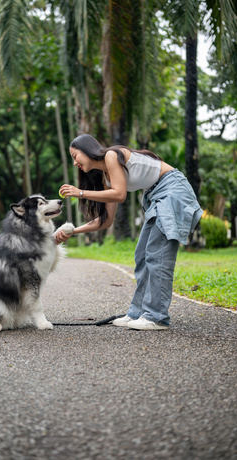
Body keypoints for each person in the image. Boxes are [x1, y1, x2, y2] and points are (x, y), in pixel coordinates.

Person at [55, 133, 203, 330]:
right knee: (142, 255)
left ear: (87, 150)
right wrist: (74, 231)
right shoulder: (106, 177)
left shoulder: (111, 156)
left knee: (156, 255)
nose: (75, 163)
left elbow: (120, 195)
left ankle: (156, 317)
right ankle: (138, 313)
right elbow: (106, 221)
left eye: (75, 156)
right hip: (156, 195)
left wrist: (80, 192)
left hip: (172, 190)